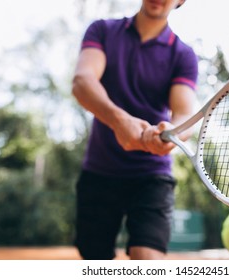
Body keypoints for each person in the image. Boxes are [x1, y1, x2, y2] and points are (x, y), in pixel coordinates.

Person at [72, 0, 198, 260]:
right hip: (99, 172)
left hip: (151, 177)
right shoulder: (102, 30)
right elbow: (82, 82)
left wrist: (170, 134)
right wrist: (120, 121)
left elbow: (184, 115)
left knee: (148, 260)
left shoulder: (183, 55)